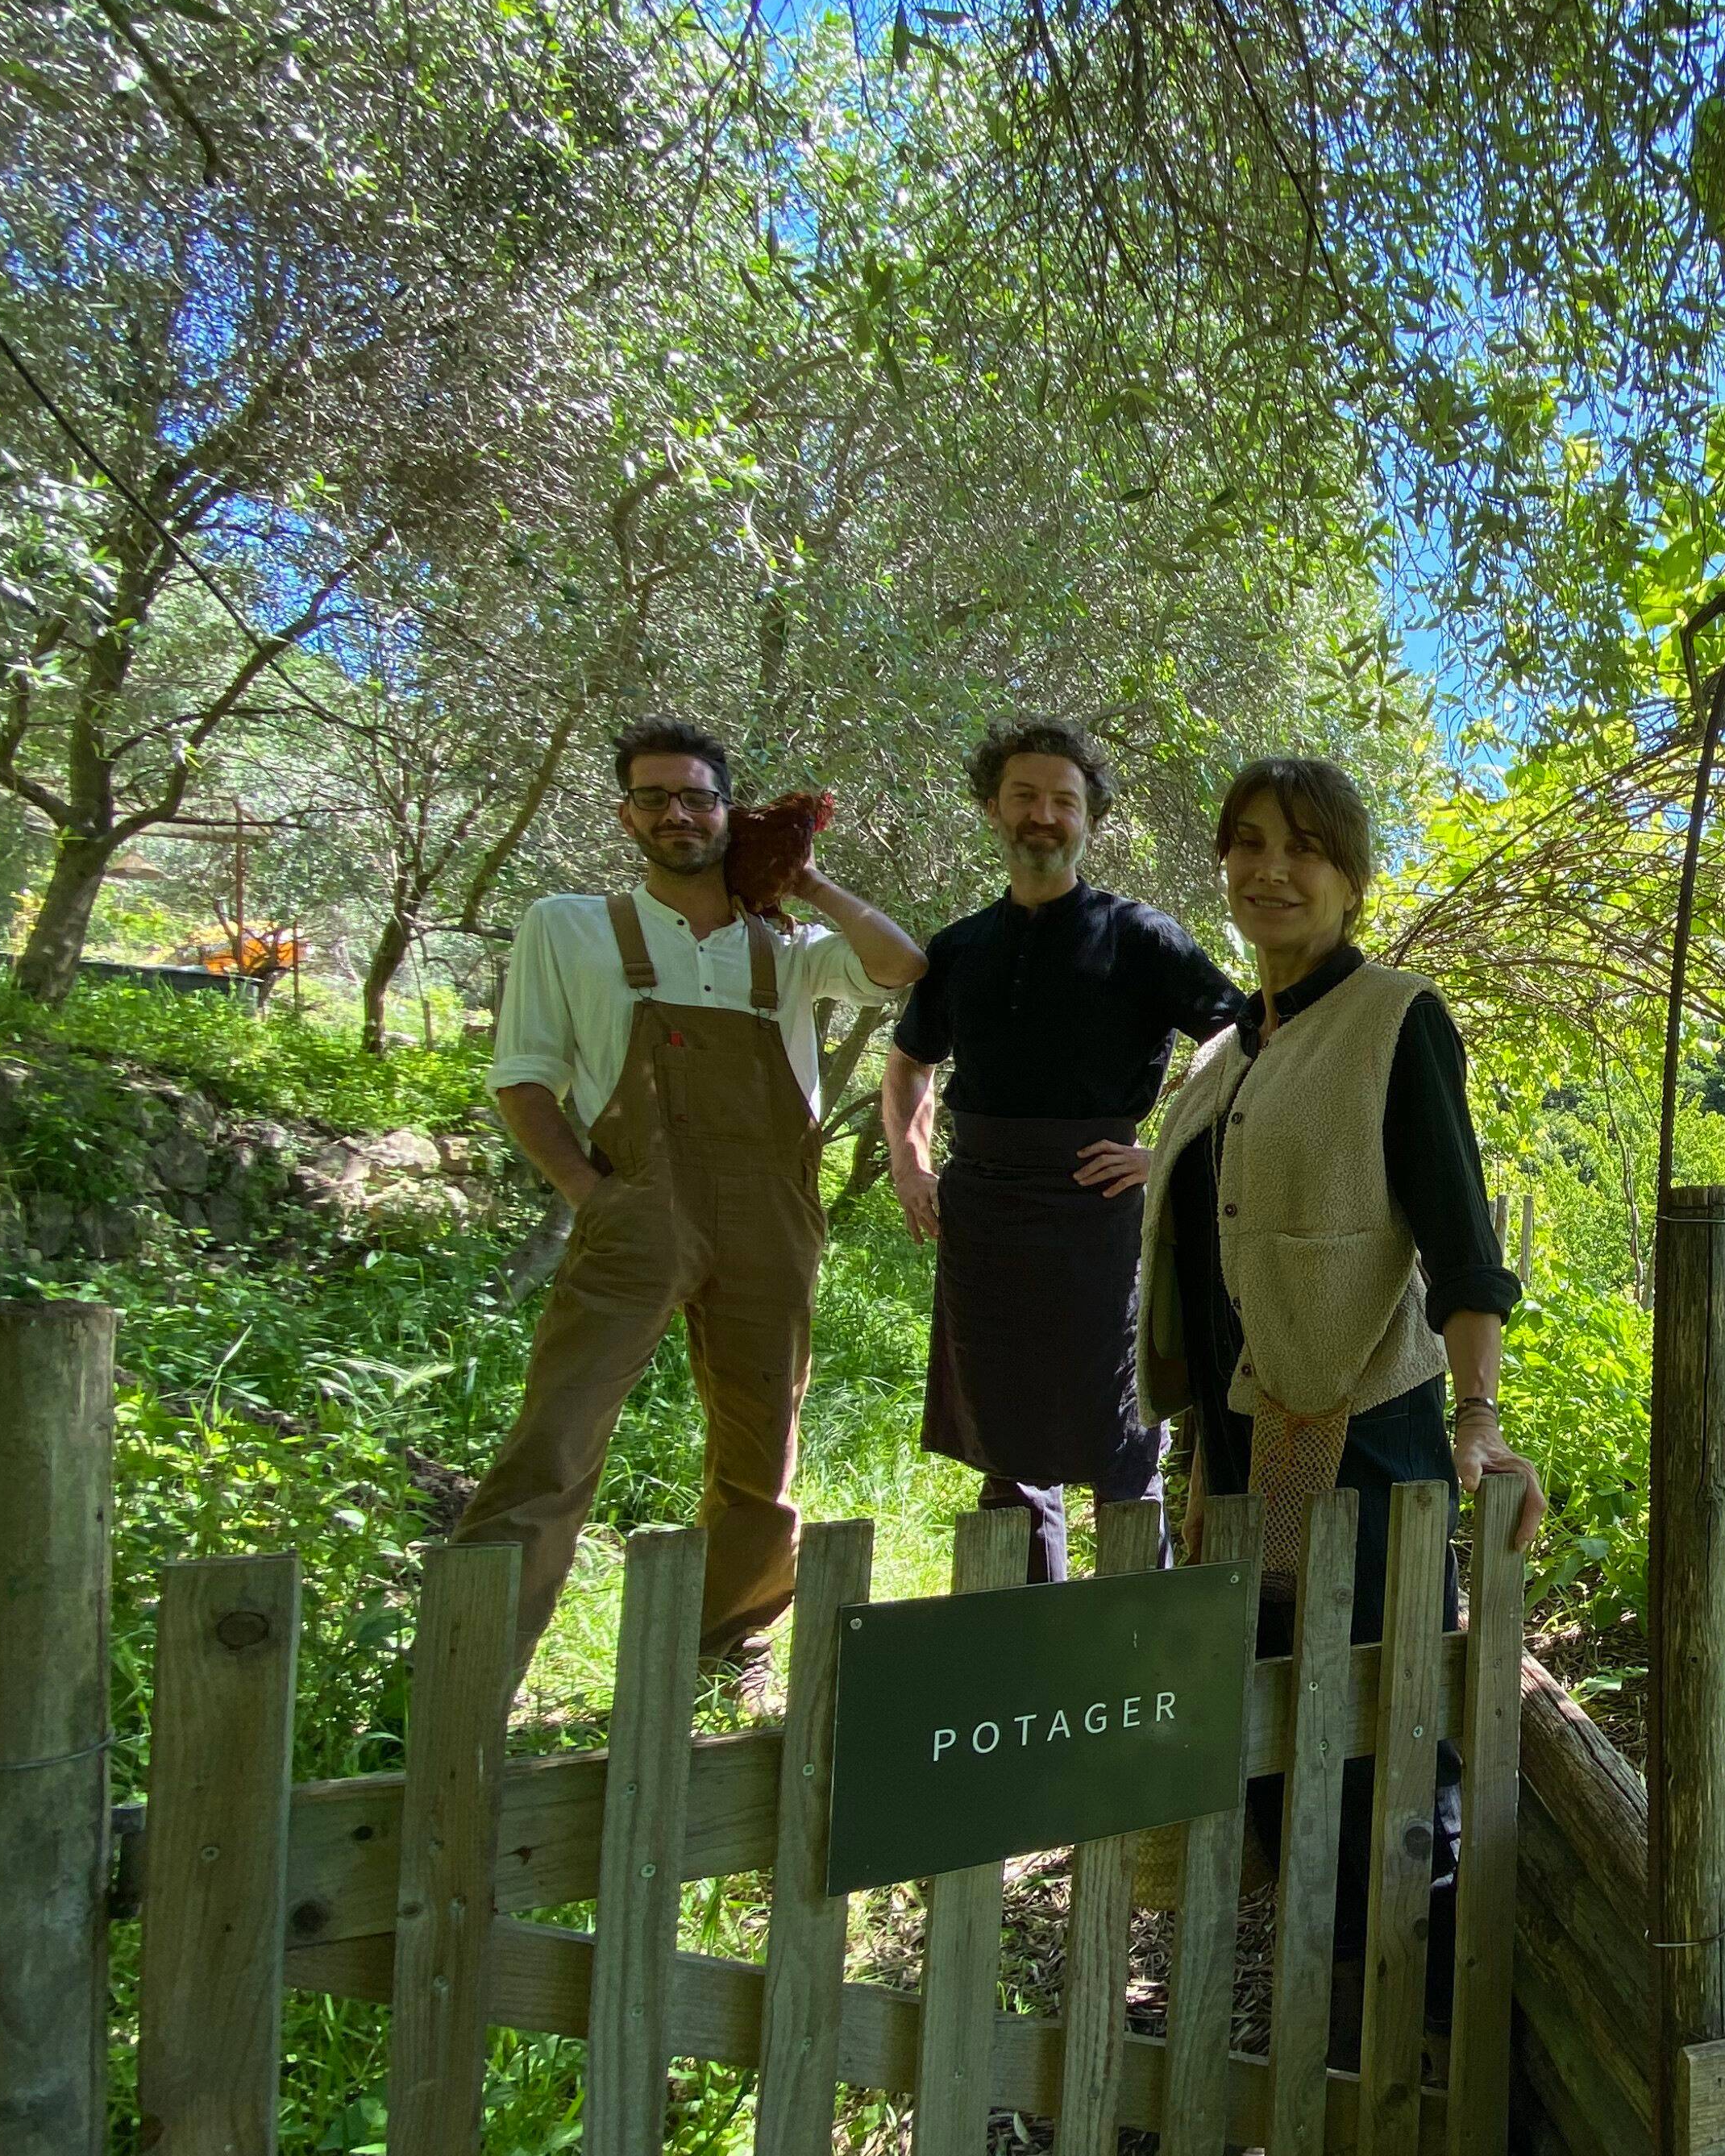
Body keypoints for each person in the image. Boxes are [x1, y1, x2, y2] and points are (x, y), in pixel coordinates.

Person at [1134, 755, 1545, 2035]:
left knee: (1385, 1745)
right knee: (1271, 1738)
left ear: (1352, 875)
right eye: (1249, 842)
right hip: (1239, 1453)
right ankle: (1319, 2011)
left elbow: (1463, 1245)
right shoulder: (1223, 1054)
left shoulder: (1394, 1019)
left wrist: (1477, 1422)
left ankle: (1417, 2041)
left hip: (1368, 1450)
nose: (1273, 868)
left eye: (1305, 846)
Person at [455, 716, 927, 1687]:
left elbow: (901, 966)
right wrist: (595, 1199)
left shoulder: (785, 947)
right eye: (655, 797)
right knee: (556, 1438)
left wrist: (800, 877)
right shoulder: (570, 925)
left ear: (727, 809)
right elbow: (524, 1080)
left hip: (770, 1212)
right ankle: (469, 1682)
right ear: (626, 815)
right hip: (637, 1205)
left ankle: (725, 1650)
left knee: (763, 1451)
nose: (678, 814)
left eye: (698, 796)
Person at [879, 717, 1246, 1578]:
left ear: (1088, 820)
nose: (1043, 815)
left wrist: (1168, 1156)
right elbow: (908, 1065)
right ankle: (1025, 1632)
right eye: (1025, 796)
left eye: (1063, 801)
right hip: (983, 1216)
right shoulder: (960, 948)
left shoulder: (1142, 937)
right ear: (993, 810)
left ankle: (1132, 1641)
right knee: (1006, 1446)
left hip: (1102, 1211)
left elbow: (1244, 1041)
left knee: (1122, 1433)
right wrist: (909, 1163)